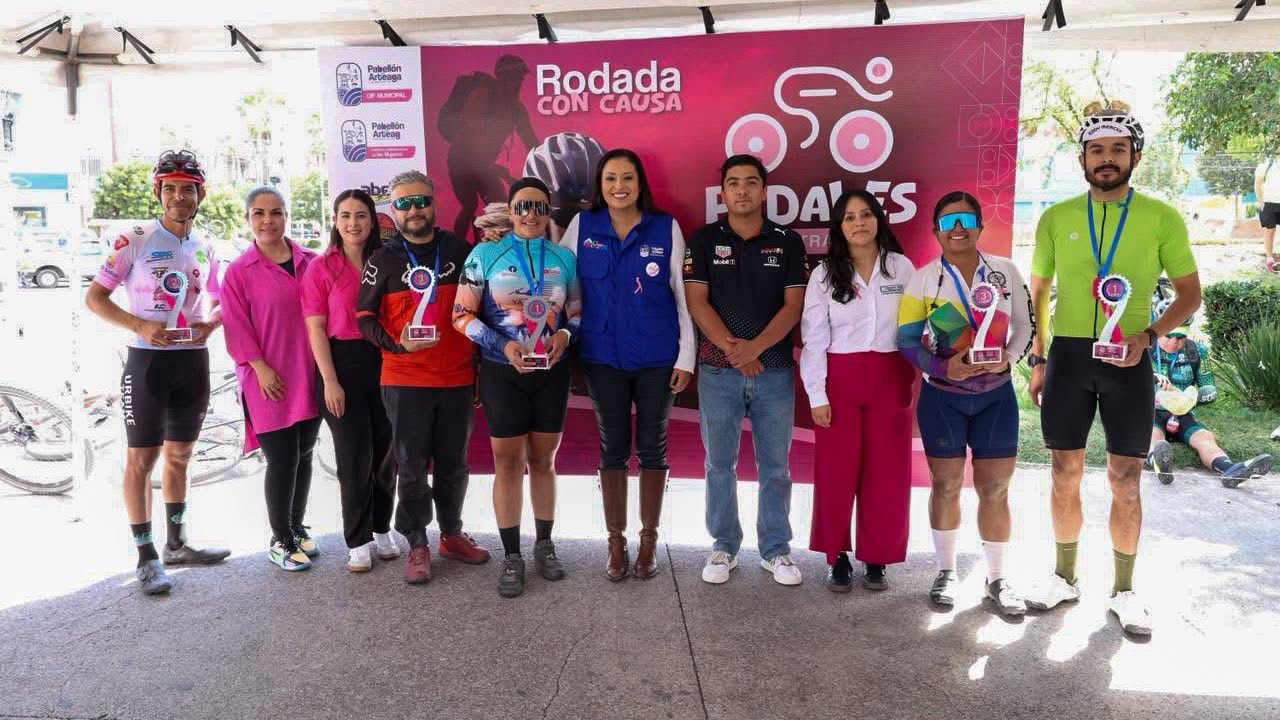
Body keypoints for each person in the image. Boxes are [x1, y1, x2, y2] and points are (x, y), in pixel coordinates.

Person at [1026, 101, 1203, 636]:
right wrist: (1039, 357)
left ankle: (1125, 591)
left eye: (1117, 150)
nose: (1107, 159)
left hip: (1130, 356)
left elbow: (1190, 295)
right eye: (1097, 150)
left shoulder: (1161, 217)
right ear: (1082, 158)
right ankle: (1064, 578)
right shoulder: (1056, 217)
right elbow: (1040, 290)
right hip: (1069, 357)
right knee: (1063, 471)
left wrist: (1148, 336)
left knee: (1126, 478)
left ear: (1135, 156)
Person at [85, 150, 229, 595]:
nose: (179, 197)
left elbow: (222, 300)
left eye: (188, 189)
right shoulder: (136, 238)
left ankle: (177, 543)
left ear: (199, 195)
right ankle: (146, 555)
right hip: (146, 361)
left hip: (191, 359)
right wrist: (139, 324)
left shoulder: (207, 245)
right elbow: (96, 298)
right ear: (159, 192)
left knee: (181, 455)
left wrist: (212, 322)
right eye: (170, 188)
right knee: (140, 460)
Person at [558, 148, 696, 581]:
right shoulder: (583, 226)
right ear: (600, 185)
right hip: (602, 357)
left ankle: (649, 541)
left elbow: (684, 295)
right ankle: (616, 543)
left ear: (640, 184)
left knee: (653, 446)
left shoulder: (665, 227)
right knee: (613, 446)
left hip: (659, 357)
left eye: (628, 179)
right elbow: (556, 283)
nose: (619, 187)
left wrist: (686, 356)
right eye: (610, 178)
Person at [897, 191, 1034, 614]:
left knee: (995, 488)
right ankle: (946, 573)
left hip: (996, 398)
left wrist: (1009, 361)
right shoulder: (922, 279)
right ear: (936, 229)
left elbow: (1027, 327)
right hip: (943, 399)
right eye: (949, 221)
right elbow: (904, 340)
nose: (958, 228)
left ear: (979, 226)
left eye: (966, 220)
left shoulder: (1005, 272)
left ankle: (997, 579)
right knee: (947, 484)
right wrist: (944, 369)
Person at [357, 171, 490, 585]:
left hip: (456, 379)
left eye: (421, 201)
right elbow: (363, 318)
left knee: (455, 464)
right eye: (404, 203)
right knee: (412, 467)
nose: (414, 210)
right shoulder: (382, 259)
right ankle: (417, 543)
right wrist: (397, 346)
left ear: (434, 203)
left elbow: (482, 308)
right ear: (393, 211)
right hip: (405, 379)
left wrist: (479, 374)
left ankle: (451, 534)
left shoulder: (460, 250)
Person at [454, 176, 582, 598]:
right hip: (501, 370)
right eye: (523, 206)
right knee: (508, 464)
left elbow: (577, 313)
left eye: (540, 207)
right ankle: (512, 555)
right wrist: (501, 343)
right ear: (510, 211)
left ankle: (544, 544)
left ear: (549, 213)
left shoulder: (564, 258)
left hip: (551, 372)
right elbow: (461, 315)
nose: (531, 214)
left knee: (543, 461)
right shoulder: (485, 254)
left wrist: (565, 337)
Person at [684, 154, 808, 586]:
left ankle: (775, 550)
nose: (742, 190)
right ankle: (723, 547)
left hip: (773, 371)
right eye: (733, 183)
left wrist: (753, 348)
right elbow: (697, 302)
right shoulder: (702, 241)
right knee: (720, 464)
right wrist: (733, 350)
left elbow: (794, 307)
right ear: (722, 193)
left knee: (776, 466)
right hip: (718, 373)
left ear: (764, 191)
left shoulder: (787, 242)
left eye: (751, 182)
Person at [802, 189, 916, 593]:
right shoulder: (823, 274)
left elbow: (917, 325)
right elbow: (814, 339)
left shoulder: (901, 268)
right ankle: (838, 557)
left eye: (866, 214)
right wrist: (817, 395)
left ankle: (877, 556)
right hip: (841, 380)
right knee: (837, 472)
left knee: (886, 472)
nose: (859, 223)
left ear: (879, 220)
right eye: (849, 217)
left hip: (891, 376)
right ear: (839, 226)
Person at [220, 186, 321, 572]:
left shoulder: (311, 261)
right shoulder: (238, 272)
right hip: (268, 379)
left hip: (309, 373)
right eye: (259, 213)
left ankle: (296, 526)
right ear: (248, 219)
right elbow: (236, 326)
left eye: (276, 212)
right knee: (282, 459)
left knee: (306, 454)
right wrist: (259, 366)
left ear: (286, 216)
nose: (268, 221)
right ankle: (280, 540)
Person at [300, 189, 396, 573]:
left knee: (386, 455)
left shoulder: (387, 261)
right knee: (354, 457)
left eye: (361, 215)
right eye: (345, 216)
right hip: (341, 364)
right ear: (335, 222)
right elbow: (316, 330)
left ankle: (381, 528)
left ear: (372, 221)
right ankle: (357, 540)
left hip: (385, 361)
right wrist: (330, 381)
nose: (353, 223)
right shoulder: (322, 268)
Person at [1145, 315, 1273, 488]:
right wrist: (1150, 377)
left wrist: (1192, 397)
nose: (1175, 342)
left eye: (1181, 337)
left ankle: (1230, 470)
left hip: (1182, 412)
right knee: (1154, 436)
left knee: (1205, 438)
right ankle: (1159, 464)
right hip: (1150, 411)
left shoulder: (1196, 350)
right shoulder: (1144, 348)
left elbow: (1209, 388)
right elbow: (1125, 382)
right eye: (1169, 336)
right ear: (1158, 331)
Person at [438, 54, 539, 242]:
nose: (516, 84)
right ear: (501, 78)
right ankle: (458, 248)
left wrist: (546, 161)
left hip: (484, 166)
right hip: (461, 161)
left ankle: (498, 248)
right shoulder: (483, 94)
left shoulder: (517, 109)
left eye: (520, 79)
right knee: (469, 205)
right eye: (512, 79)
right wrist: (500, 171)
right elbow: (470, 140)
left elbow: (531, 141)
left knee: (501, 207)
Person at [1254, 155, 1280, 272]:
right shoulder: (1266, 162)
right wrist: (1261, 202)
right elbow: (1257, 184)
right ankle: (1269, 259)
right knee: (1270, 230)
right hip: (1268, 202)